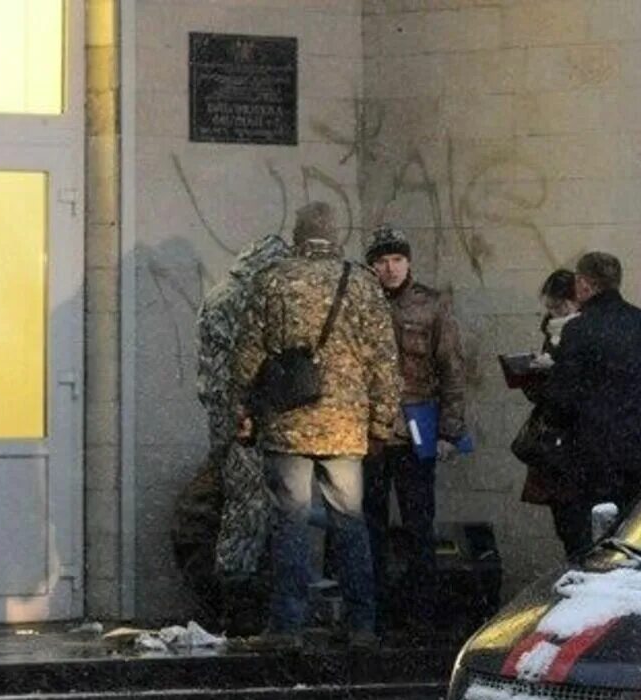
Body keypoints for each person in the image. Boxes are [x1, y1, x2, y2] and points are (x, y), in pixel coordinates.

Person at [232, 202, 401, 649]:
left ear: (298, 235)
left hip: (288, 421)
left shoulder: (272, 279)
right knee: (350, 522)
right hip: (347, 426)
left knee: (289, 524)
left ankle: (288, 626)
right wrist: (382, 423)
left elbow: (248, 354)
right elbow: (384, 358)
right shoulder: (362, 283)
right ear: (336, 236)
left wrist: (242, 411)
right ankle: (362, 623)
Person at [172, 233, 290, 632]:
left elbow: (212, 379)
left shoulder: (225, 296)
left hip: (236, 423)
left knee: (236, 511)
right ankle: (239, 610)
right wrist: (241, 423)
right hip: (246, 425)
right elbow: (229, 376)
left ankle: (228, 607)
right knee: (247, 514)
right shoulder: (243, 301)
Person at [362, 224, 468, 633]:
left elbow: (451, 368)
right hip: (370, 431)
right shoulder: (362, 303)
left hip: (415, 425)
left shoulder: (431, 305)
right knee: (369, 523)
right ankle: (376, 611)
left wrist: (449, 430)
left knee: (418, 523)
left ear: (408, 262)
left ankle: (421, 612)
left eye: (397, 260)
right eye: (383, 261)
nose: (390, 269)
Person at [535, 251, 641, 555]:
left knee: (589, 551)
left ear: (583, 284)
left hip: (593, 461)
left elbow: (560, 401)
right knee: (635, 546)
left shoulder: (579, 330)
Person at [514, 269, 581, 556]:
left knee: (573, 521)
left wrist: (552, 371)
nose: (555, 313)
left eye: (561, 307)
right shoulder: (551, 332)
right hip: (552, 437)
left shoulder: (581, 334)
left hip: (570, 440)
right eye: (552, 308)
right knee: (564, 521)